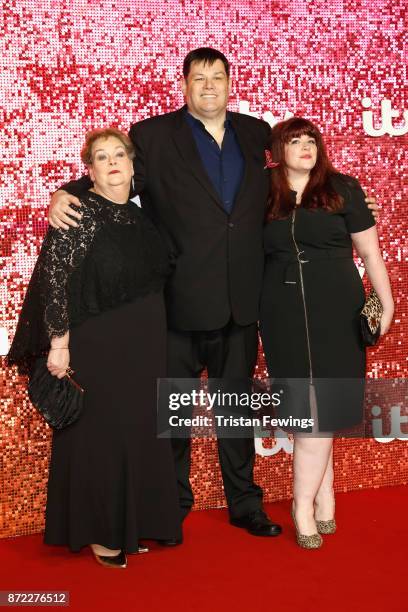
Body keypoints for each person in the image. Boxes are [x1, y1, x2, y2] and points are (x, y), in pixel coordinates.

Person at [47, 48, 378, 540]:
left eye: (217, 77)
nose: (208, 86)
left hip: (243, 302)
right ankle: (175, 502)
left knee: (235, 412)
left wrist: (353, 195)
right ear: (183, 85)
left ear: (229, 84)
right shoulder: (153, 135)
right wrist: (64, 192)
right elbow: (112, 171)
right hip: (177, 302)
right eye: (198, 78)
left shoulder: (253, 132)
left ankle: (245, 504)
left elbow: (298, 166)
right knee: (176, 413)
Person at [7, 128, 182, 568]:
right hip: (99, 341)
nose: (112, 162)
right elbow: (55, 283)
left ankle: (132, 523)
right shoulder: (80, 215)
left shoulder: (142, 217)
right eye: (101, 158)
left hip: (144, 340)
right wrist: (60, 345)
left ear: (131, 162)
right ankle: (102, 533)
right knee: (100, 434)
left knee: (138, 429)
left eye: (118, 154)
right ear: (90, 172)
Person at [259, 117, 394, 548]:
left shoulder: (344, 189)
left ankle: (303, 506)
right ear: (278, 151)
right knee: (306, 410)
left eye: (311, 140)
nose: (305, 147)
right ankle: (323, 497)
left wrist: (387, 302)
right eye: (295, 141)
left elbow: (371, 253)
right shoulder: (260, 193)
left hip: (338, 310)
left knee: (323, 410)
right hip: (281, 314)